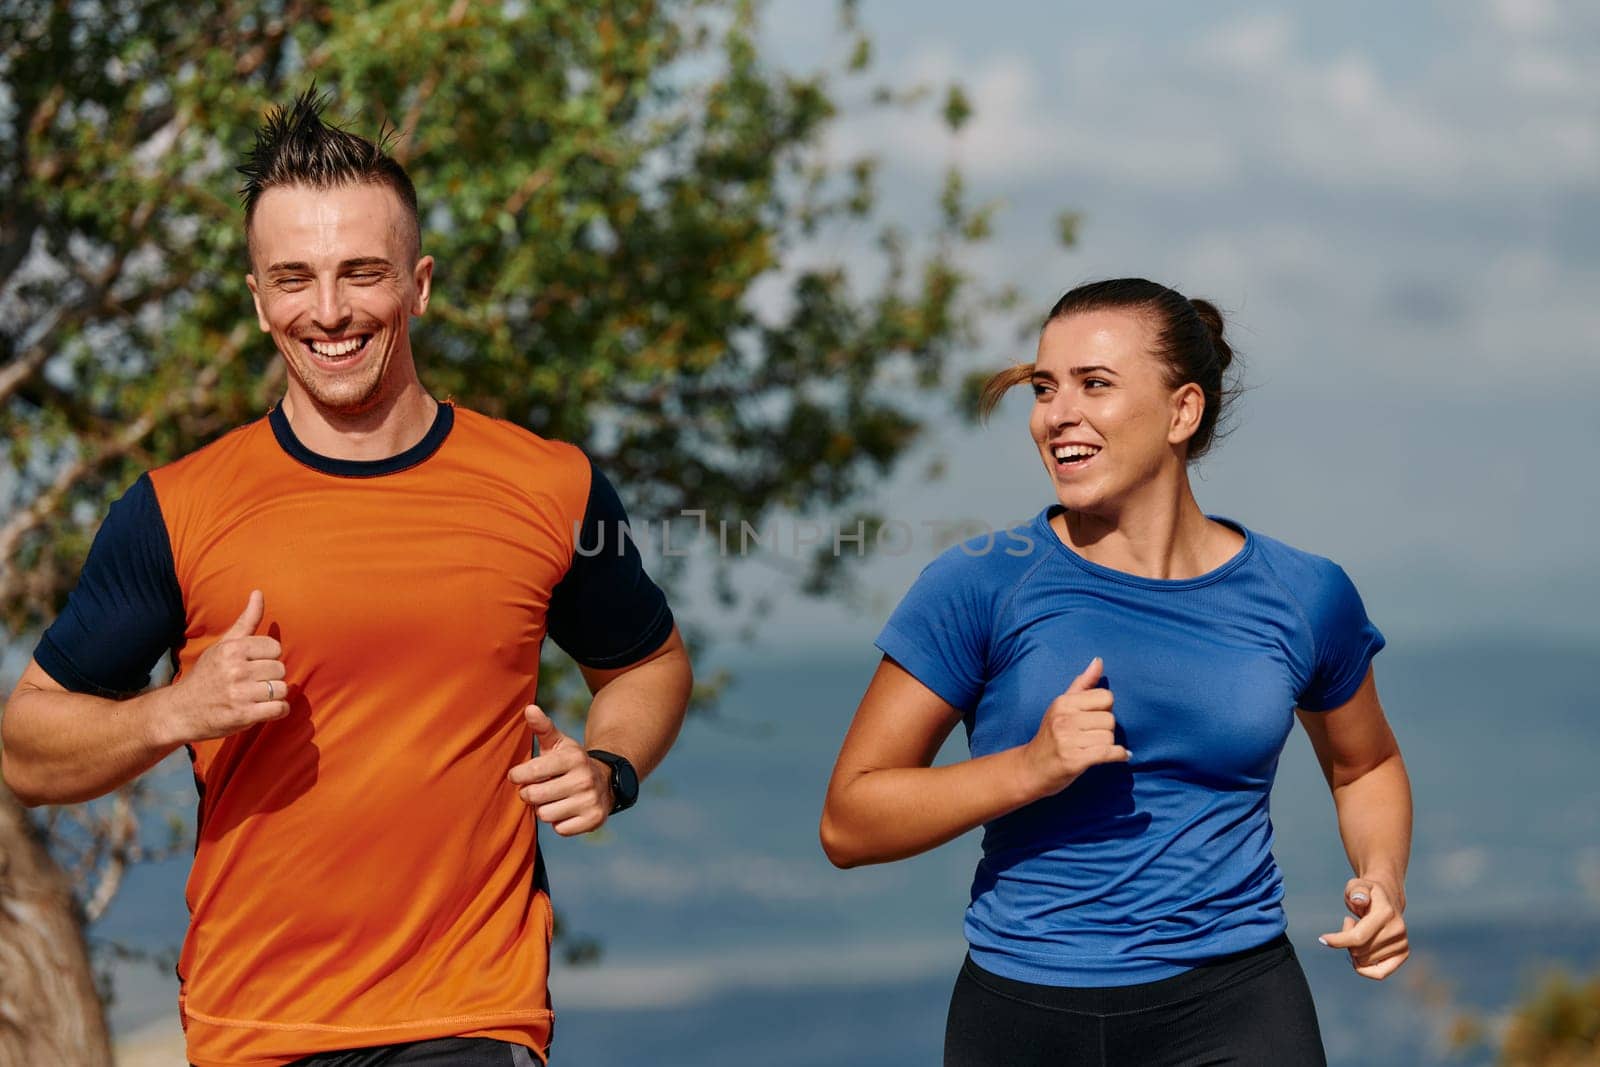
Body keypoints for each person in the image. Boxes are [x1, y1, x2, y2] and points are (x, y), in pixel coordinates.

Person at [0, 89, 693, 1067]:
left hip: (470, 1011)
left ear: (418, 286)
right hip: (255, 1027)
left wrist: (610, 766)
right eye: (294, 278)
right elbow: (26, 746)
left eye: (360, 273)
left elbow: (648, 663)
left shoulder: (550, 484)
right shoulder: (176, 508)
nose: (327, 311)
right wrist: (172, 710)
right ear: (256, 297)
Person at [820, 278, 1412, 1066]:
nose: (1055, 414)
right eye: (1043, 387)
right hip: (1024, 1014)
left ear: (1182, 412)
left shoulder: (1304, 594)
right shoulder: (982, 583)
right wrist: (1028, 768)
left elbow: (1364, 763)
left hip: (1237, 1009)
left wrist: (1382, 875)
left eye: (1094, 384)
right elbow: (849, 820)